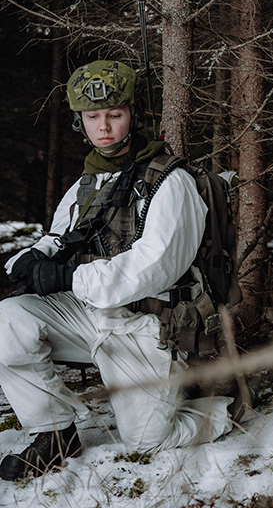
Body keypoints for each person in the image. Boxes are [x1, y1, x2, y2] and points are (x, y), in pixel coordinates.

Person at [0, 60, 239, 481]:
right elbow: (62, 235)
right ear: (81, 122)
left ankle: (226, 407)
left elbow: (155, 267)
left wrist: (69, 278)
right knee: (8, 319)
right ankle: (53, 432)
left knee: (145, 442)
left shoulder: (171, 182)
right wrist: (31, 259)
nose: (104, 127)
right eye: (93, 117)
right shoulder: (87, 183)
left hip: (147, 326)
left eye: (114, 114)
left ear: (133, 114)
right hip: (91, 316)